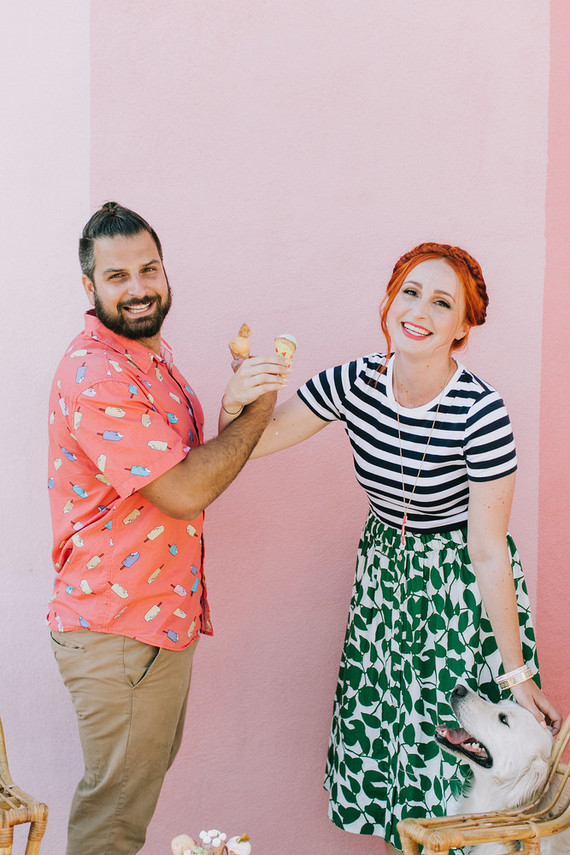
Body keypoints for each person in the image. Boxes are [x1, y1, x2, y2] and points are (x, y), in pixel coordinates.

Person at [219, 242, 562, 853]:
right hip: (384, 583)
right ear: (388, 300)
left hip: (458, 592)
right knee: (394, 755)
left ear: (463, 326)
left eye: (442, 302)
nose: (420, 310)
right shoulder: (356, 382)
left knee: (457, 764)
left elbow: (487, 549)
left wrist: (516, 671)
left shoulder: (481, 412)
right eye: (409, 291)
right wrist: (234, 400)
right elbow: (252, 444)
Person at [47, 201, 289, 855]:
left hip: (155, 624)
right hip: (120, 629)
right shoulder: (97, 371)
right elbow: (184, 491)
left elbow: (180, 464)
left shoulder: (149, 359)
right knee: (113, 825)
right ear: (89, 285)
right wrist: (260, 403)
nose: (138, 287)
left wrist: (239, 407)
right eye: (118, 275)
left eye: (148, 268)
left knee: (127, 808)